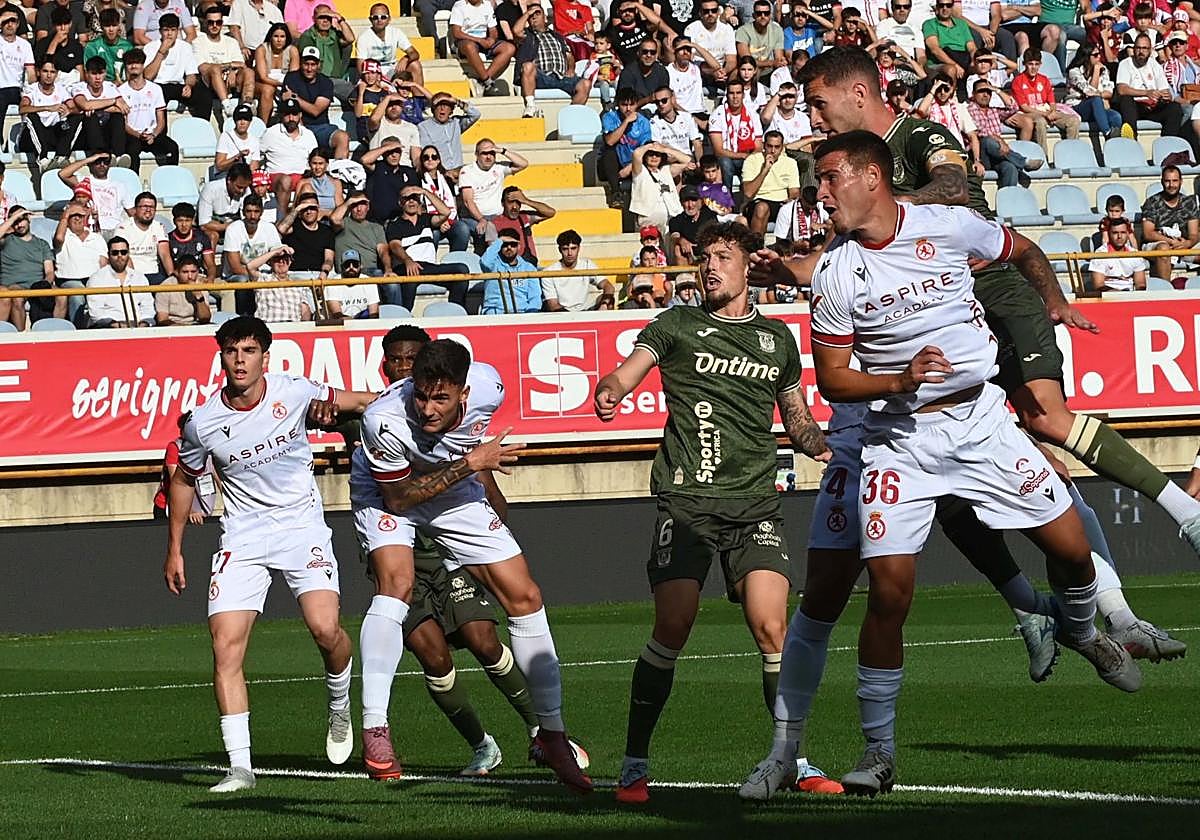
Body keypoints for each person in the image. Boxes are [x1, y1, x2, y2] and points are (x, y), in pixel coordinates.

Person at [741, 132, 1139, 801]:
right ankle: (880, 751)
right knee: (889, 591)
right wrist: (899, 381)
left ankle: (1077, 629)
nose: (822, 193)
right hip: (900, 441)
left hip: (983, 423)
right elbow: (835, 381)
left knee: (1071, 550)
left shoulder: (949, 225)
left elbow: (1023, 248)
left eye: (832, 178)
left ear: (873, 177)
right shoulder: (836, 273)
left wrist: (1054, 299)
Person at [784, 44, 1200, 567]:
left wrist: (896, 206)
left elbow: (954, 182)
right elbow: (828, 261)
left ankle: (1184, 511)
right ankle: (1070, 609)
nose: (812, 116)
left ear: (859, 92)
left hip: (992, 286)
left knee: (1045, 418)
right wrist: (785, 270)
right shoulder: (843, 183)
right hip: (930, 314)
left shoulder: (915, 136)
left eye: (819, 103)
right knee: (971, 470)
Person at [593, 221, 829, 804]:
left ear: (750, 265)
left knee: (773, 628)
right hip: (689, 501)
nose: (710, 266)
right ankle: (634, 763)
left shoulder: (777, 339)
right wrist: (611, 389)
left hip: (756, 501)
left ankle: (790, 757)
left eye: (723, 256)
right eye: (704, 258)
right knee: (673, 627)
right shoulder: (675, 325)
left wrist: (823, 444)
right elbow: (628, 371)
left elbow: (796, 418)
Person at [353, 337, 592, 792]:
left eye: (440, 398)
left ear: (464, 392)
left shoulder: (490, 389)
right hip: (390, 490)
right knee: (397, 584)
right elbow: (399, 498)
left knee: (525, 595)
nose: (427, 409)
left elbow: (470, 460)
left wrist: (477, 487)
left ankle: (552, 734)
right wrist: (471, 463)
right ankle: (376, 728)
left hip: (454, 488)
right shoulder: (382, 421)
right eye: (420, 395)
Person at [163, 316, 375, 792]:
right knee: (225, 645)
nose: (240, 360)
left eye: (249, 351)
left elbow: (355, 401)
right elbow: (182, 479)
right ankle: (239, 766)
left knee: (326, 631)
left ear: (265, 357)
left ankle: (339, 701)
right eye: (231, 351)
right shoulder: (203, 423)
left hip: (302, 530)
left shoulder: (294, 390)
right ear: (221, 358)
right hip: (242, 537)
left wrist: (400, 404)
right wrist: (175, 548)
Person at [384, 185, 469, 310]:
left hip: (429, 267)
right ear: (400, 202)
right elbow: (395, 246)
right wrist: (408, 261)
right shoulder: (394, 225)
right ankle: (405, 316)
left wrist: (425, 192)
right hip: (407, 267)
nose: (411, 201)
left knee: (462, 269)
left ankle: (455, 310)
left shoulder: (426, 219)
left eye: (414, 197)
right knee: (411, 277)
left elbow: (446, 212)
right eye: (407, 198)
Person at [516, 5, 592, 117]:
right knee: (528, 66)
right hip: (541, 76)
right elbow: (516, 31)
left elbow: (569, 55)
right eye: (531, 16)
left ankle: (570, 116)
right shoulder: (527, 35)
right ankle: (531, 106)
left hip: (561, 76)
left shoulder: (558, 36)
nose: (534, 17)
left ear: (545, 17)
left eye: (537, 13)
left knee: (585, 84)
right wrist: (527, 13)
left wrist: (571, 69)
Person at [966, 79, 1041, 185]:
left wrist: (997, 90)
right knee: (987, 141)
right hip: (979, 155)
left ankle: (1009, 198)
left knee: (1010, 168)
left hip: (997, 153)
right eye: (981, 91)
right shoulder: (969, 110)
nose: (985, 95)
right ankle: (1023, 162)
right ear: (973, 94)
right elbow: (981, 133)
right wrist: (1001, 141)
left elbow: (1013, 107)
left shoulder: (994, 110)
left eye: (988, 92)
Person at [458, 139, 529, 248]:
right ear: (476, 154)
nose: (488, 157)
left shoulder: (499, 168)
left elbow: (523, 164)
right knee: (488, 231)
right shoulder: (467, 171)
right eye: (484, 153)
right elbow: (468, 201)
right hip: (474, 217)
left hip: (497, 216)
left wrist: (502, 151)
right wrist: (481, 219)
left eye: (492, 153)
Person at [117, 48, 178, 173]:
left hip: (153, 134)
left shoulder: (155, 89)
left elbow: (161, 120)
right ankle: (134, 186)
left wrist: (153, 135)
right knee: (132, 153)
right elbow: (124, 123)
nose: (134, 66)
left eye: (137, 62)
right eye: (130, 63)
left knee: (173, 147)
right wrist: (139, 135)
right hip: (133, 136)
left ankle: (172, 179)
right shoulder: (120, 91)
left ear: (143, 65)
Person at [282, 44, 349, 159]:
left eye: (313, 64)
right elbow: (289, 106)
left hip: (321, 127)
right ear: (301, 63)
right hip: (298, 126)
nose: (309, 68)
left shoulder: (325, 82)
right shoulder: (291, 78)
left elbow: (316, 110)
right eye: (306, 64)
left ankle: (338, 172)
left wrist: (295, 97)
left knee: (343, 137)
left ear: (319, 65)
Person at [1114, 33, 1183, 140]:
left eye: (1145, 48)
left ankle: (1167, 143)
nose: (1141, 51)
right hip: (1135, 106)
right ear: (1134, 49)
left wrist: (1166, 96)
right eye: (1138, 48)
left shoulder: (1155, 65)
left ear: (1150, 50)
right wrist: (1146, 93)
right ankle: (1131, 139)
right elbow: (1122, 90)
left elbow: (1164, 89)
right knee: (1126, 100)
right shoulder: (1125, 64)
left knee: (1175, 108)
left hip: (1153, 106)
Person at [1011, 48, 1081, 150]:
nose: (1033, 67)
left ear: (1040, 64)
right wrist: (1045, 114)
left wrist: (1051, 112)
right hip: (1029, 113)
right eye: (1030, 64)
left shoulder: (1044, 80)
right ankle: (1043, 157)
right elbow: (1024, 107)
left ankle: (1071, 153)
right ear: (1024, 64)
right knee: (1040, 122)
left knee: (1073, 121)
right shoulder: (1018, 81)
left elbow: (1052, 102)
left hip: (1046, 111)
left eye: (1036, 64)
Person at [144, 13, 212, 120]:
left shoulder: (185, 47)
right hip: (158, 86)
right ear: (160, 31)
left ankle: (202, 126)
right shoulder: (150, 47)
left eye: (173, 30)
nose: (169, 34)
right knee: (159, 97)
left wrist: (189, 85)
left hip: (178, 85)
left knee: (204, 95)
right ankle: (160, 133)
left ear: (178, 31)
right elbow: (147, 76)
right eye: (166, 30)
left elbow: (191, 74)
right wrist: (161, 52)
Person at [152, 411, 217, 520]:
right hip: (170, 507)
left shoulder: (206, 446)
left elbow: (217, 474)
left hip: (199, 506)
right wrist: (188, 510)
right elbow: (176, 482)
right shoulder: (175, 447)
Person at [1140, 163, 1200, 280]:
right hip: (1157, 244)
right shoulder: (1152, 202)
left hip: (1183, 245)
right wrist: (1172, 242)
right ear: (1162, 182)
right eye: (1167, 181)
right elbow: (1148, 233)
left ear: (1181, 182)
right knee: (1164, 249)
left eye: (1175, 181)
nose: (1171, 185)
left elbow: (1194, 234)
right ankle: (1166, 291)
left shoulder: (1189, 202)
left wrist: (1187, 243)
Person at [0, 206, 55, 329]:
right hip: (13, 285)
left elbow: (50, 271)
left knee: (61, 295)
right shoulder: (6, 240)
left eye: (22, 220)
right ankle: (20, 338)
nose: (19, 225)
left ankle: (56, 334)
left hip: (37, 285)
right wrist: (13, 217)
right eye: (16, 222)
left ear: (29, 219)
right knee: (16, 296)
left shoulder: (42, 244)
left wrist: (45, 283)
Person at [260, 98, 318, 215]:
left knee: (309, 184)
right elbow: (256, 155)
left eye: (294, 114)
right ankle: (282, 219)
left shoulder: (308, 135)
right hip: (276, 177)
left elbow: (315, 158)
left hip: (301, 177)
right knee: (286, 180)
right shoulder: (271, 133)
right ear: (281, 115)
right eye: (287, 114)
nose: (291, 118)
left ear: (300, 115)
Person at [193, 5, 252, 116]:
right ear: (205, 23)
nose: (215, 26)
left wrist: (232, 70)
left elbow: (242, 65)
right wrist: (229, 66)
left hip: (231, 82)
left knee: (249, 72)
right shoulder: (198, 42)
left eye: (218, 22)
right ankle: (227, 106)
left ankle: (247, 105)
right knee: (214, 69)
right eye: (211, 22)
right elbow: (202, 67)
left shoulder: (231, 42)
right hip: (209, 83)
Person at [84, 235, 155, 327]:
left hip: (139, 328)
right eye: (115, 253)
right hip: (107, 329)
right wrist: (116, 325)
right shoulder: (97, 278)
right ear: (108, 255)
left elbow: (147, 306)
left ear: (128, 254)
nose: (119, 256)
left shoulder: (139, 277)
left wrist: (144, 323)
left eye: (123, 252)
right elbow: (96, 312)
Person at [18, 57, 76, 170]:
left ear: (57, 74)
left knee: (76, 117)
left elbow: (75, 107)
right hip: (30, 138)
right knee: (32, 116)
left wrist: (69, 110)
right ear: (39, 72)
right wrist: (48, 108)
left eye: (52, 72)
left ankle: (61, 156)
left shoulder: (61, 89)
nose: (49, 75)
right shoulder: (31, 89)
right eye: (45, 71)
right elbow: (22, 109)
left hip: (51, 135)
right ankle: (43, 160)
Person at [69, 55, 130, 163]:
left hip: (105, 131)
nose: (98, 78)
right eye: (93, 74)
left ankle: (119, 155)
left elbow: (122, 109)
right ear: (87, 74)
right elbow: (85, 105)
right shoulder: (78, 87)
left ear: (105, 73)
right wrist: (113, 101)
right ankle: (99, 155)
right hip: (85, 135)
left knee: (117, 117)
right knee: (90, 117)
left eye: (101, 73)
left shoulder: (110, 87)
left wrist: (96, 107)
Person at [450, 0, 517, 96]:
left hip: (483, 39)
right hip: (465, 40)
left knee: (510, 48)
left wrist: (492, 39)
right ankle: (487, 81)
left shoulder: (487, 5)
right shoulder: (459, 5)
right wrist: (479, 40)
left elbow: (493, 29)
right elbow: (457, 33)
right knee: (470, 46)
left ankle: (481, 82)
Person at [742, 130, 801, 235]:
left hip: (781, 203)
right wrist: (765, 169)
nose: (773, 151)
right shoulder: (752, 160)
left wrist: (790, 200)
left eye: (777, 147)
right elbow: (748, 193)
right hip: (757, 202)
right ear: (764, 145)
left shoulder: (790, 163)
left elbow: (795, 192)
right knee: (762, 207)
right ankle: (755, 246)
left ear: (782, 147)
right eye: (769, 146)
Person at [600, 86, 652, 206]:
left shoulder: (643, 122)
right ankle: (616, 193)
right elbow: (610, 141)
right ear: (618, 104)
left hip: (634, 163)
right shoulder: (609, 117)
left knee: (650, 153)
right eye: (624, 105)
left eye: (632, 104)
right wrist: (626, 122)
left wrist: (631, 167)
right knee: (609, 151)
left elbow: (646, 148)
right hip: (612, 166)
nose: (628, 109)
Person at [295, 4, 354, 109]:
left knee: (356, 95)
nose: (325, 21)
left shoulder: (335, 34)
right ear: (314, 19)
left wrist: (340, 18)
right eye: (321, 17)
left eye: (328, 17)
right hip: (316, 80)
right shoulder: (307, 36)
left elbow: (350, 39)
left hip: (335, 79)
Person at [59, 151, 133, 235]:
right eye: (98, 162)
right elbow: (62, 174)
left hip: (115, 230)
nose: (102, 165)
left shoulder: (120, 185)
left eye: (106, 162)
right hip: (92, 230)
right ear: (91, 163)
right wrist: (89, 160)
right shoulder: (83, 182)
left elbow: (132, 212)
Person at [709, 79, 764, 189]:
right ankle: (727, 198)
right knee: (725, 163)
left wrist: (749, 157)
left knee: (757, 161)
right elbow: (718, 151)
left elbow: (758, 146)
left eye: (738, 93)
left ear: (743, 95)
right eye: (731, 93)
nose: (735, 97)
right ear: (727, 95)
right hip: (727, 157)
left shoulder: (752, 114)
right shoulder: (717, 114)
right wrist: (743, 156)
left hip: (748, 156)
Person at [542, 228, 614, 311]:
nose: (569, 253)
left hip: (586, 310)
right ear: (559, 250)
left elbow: (609, 286)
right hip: (562, 314)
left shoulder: (587, 264)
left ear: (579, 248)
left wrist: (604, 304)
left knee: (609, 300)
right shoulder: (549, 272)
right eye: (565, 249)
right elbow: (553, 305)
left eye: (573, 248)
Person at [245, 243, 315, 321]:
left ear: (290, 261)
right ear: (270, 262)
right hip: (269, 326)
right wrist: (276, 252)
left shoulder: (298, 283)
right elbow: (250, 266)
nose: (281, 261)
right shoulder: (263, 278)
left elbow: (305, 311)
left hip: (293, 327)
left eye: (285, 258)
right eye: (277, 258)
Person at [417, 93, 481, 179]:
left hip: (460, 172)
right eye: (439, 105)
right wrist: (445, 173)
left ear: (451, 110)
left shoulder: (456, 123)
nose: (442, 108)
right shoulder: (423, 126)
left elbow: (476, 114)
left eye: (446, 105)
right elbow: (429, 153)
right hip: (441, 174)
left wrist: (457, 101)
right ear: (433, 109)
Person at [356, 3, 423, 83]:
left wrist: (406, 59)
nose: (379, 20)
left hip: (392, 71)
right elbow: (360, 67)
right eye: (375, 17)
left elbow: (415, 53)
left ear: (389, 19)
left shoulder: (396, 32)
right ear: (370, 20)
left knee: (415, 65)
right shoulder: (364, 37)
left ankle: (419, 96)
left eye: (383, 17)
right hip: (373, 73)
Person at [331, 191, 391, 277]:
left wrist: (388, 269)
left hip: (370, 271)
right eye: (355, 205)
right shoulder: (343, 223)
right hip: (346, 271)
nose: (359, 209)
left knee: (392, 285)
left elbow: (383, 251)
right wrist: (348, 202)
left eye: (362, 204)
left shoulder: (376, 228)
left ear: (368, 207)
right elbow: (334, 219)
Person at [487, 185, 554, 264]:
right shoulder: (493, 224)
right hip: (508, 270)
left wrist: (526, 200)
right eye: (510, 202)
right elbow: (492, 254)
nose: (515, 206)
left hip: (530, 267)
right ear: (502, 203)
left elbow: (551, 213)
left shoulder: (525, 218)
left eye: (518, 202)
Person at [480, 229, 541, 314]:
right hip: (495, 312)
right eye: (505, 244)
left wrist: (530, 316)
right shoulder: (493, 264)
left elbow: (535, 297)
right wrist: (499, 241)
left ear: (519, 246)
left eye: (513, 244)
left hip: (523, 313)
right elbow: (484, 262)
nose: (509, 248)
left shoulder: (529, 268)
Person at [114, 190, 169, 284]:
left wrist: (171, 276)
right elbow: (124, 256)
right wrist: (135, 278)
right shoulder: (123, 228)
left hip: (154, 274)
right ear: (135, 209)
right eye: (144, 206)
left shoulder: (158, 226)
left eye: (151, 207)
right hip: (132, 275)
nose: (148, 210)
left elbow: (165, 255)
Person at [276, 190, 334, 277]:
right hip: (294, 274)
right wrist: (297, 208)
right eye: (305, 208)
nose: (309, 211)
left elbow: (329, 259)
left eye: (312, 208)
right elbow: (281, 228)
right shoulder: (294, 226)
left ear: (318, 209)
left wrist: (324, 272)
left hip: (318, 274)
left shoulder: (326, 231)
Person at [685, 0, 737, 87]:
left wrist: (723, 72)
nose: (710, 14)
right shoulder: (691, 29)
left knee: (737, 72)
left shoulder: (727, 29)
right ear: (700, 13)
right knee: (702, 66)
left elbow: (731, 60)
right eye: (706, 11)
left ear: (718, 12)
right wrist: (713, 72)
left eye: (713, 10)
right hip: (700, 68)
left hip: (722, 70)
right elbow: (690, 59)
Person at [198, 160, 251, 243]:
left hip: (233, 228)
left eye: (245, 188)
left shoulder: (246, 191)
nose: (242, 191)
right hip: (212, 230)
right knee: (213, 236)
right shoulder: (210, 189)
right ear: (229, 180)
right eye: (239, 187)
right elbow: (204, 224)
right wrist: (230, 226)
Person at [1089, 216, 1148, 290]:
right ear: (1109, 234)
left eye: (1123, 232)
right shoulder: (1100, 254)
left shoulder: (1135, 254)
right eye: (1115, 233)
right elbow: (1099, 286)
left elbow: (1141, 284)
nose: (1119, 236)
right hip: (1109, 297)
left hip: (1131, 296)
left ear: (1127, 234)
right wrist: (1118, 294)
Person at [253, 21, 296, 122]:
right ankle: (263, 124)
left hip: (284, 85)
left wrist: (285, 87)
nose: (279, 40)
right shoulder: (262, 49)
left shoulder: (292, 50)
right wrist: (280, 84)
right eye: (276, 36)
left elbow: (293, 76)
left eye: (282, 36)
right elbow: (263, 77)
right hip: (262, 84)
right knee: (268, 90)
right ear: (270, 37)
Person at [922, 0, 974, 83]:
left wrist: (974, 61)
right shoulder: (929, 24)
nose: (945, 8)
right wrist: (955, 65)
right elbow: (935, 50)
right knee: (951, 69)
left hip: (962, 57)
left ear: (952, 7)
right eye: (941, 5)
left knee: (985, 65)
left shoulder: (962, 24)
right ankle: (952, 94)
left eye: (948, 5)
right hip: (941, 61)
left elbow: (972, 48)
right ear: (937, 7)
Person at [650, 85, 703, 162]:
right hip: (669, 161)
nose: (660, 104)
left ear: (672, 99)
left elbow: (696, 143)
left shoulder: (687, 117)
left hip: (689, 158)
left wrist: (699, 163)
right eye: (657, 102)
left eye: (664, 100)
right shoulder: (654, 122)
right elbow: (658, 146)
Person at [155, 254, 212, 325]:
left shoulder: (200, 284)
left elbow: (205, 319)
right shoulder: (165, 287)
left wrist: (199, 296)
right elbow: (162, 319)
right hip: (172, 327)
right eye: (185, 272)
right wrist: (182, 328)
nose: (190, 276)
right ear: (176, 272)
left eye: (193, 271)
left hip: (195, 325)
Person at [668, 184, 718, 264]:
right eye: (686, 201)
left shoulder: (709, 216)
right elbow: (674, 236)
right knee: (678, 249)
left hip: (707, 251)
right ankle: (685, 275)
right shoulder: (676, 220)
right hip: (688, 254)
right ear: (681, 202)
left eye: (694, 200)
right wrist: (681, 240)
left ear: (700, 202)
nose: (690, 205)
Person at [323, 249, 379, 319]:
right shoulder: (332, 283)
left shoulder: (370, 282)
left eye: (355, 264)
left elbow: (373, 314)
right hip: (340, 326)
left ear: (360, 266)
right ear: (342, 266)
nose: (351, 267)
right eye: (347, 265)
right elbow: (337, 314)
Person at [34, 7, 84, 86]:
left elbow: (81, 75)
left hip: (72, 86)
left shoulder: (76, 46)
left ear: (70, 24)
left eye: (66, 24)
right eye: (59, 25)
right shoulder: (42, 44)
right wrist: (55, 42)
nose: (63, 28)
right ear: (53, 25)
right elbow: (44, 69)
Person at [167, 202, 217, 280]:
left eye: (187, 220)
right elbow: (170, 270)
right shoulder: (168, 240)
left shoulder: (202, 237)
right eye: (180, 221)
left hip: (199, 277)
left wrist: (210, 278)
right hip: (177, 279)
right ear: (174, 221)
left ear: (192, 220)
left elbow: (210, 265)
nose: (184, 225)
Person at [736, 0, 786, 75]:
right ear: (753, 15)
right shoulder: (743, 31)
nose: (763, 16)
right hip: (748, 73)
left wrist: (780, 62)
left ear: (770, 15)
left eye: (766, 13)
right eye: (759, 13)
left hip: (769, 73)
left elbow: (778, 58)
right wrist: (771, 63)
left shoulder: (777, 30)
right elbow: (747, 61)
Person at [82, 7, 131, 82]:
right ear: (101, 26)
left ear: (119, 26)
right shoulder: (92, 47)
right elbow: (88, 74)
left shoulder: (127, 47)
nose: (111, 29)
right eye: (107, 26)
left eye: (114, 25)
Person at [296, 146, 345, 215]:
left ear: (326, 164)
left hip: (329, 219)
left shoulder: (335, 183)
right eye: (314, 163)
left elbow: (340, 209)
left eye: (320, 163)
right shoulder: (303, 182)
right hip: (309, 218)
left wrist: (324, 213)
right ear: (310, 164)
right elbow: (296, 207)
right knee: (306, 187)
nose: (317, 167)